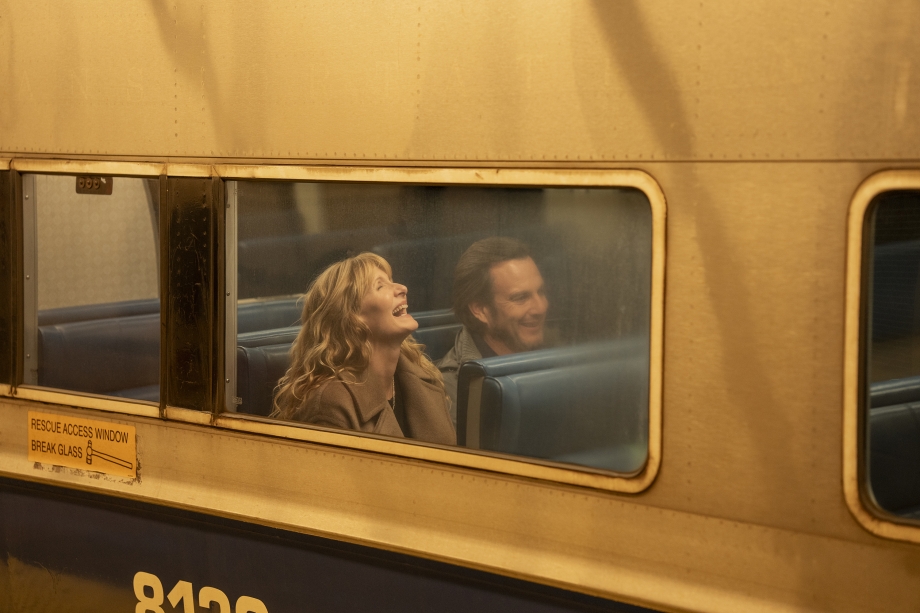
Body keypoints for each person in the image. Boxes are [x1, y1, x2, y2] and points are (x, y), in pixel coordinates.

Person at [272, 253, 456, 446]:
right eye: (380, 286)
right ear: (352, 319)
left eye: (391, 280)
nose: (402, 288)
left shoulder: (423, 377)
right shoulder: (330, 403)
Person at [437, 237, 549, 425]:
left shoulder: (557, 351)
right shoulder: (451, 392)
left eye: (541, 292)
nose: (540, 308)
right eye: (520, 298)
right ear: (481, 310)